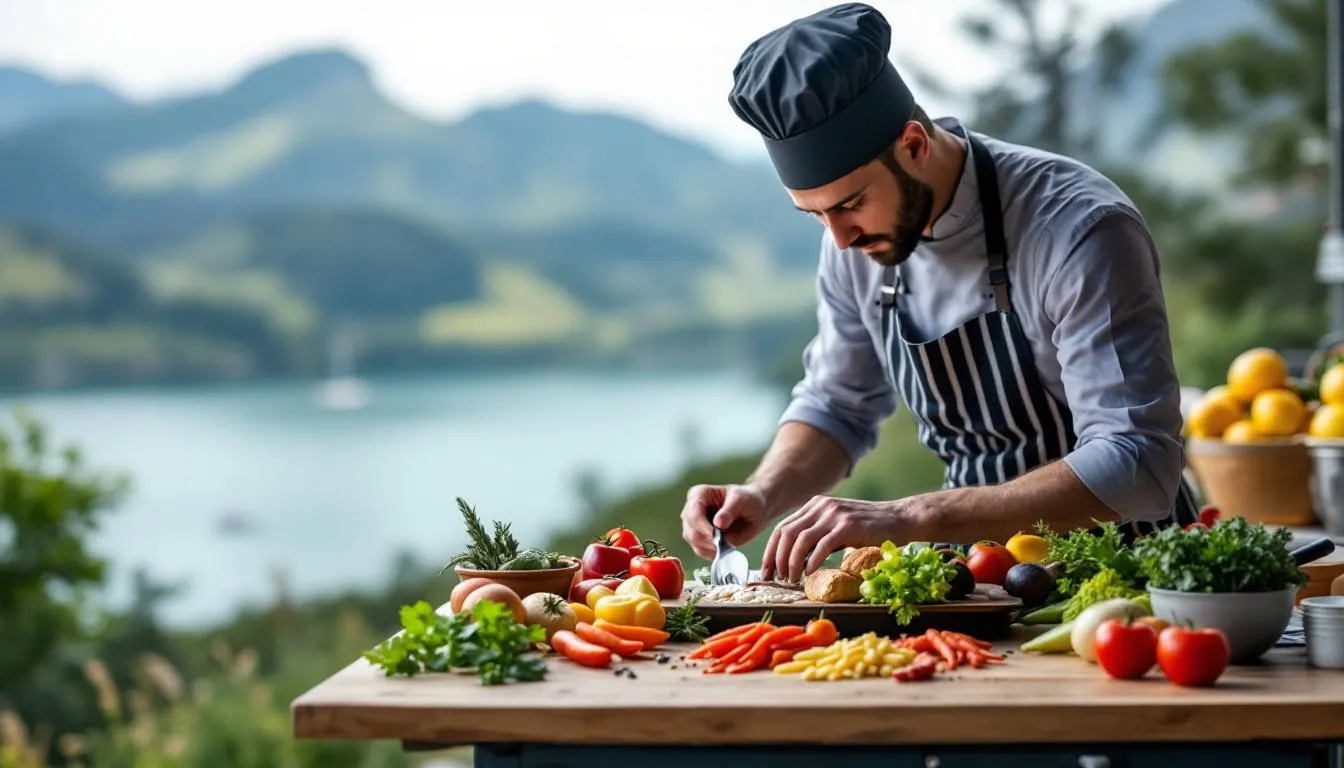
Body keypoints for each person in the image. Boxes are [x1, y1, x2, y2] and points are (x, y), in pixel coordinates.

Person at [679, 2, 1201, 584]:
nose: (840, 238)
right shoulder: (854, 243)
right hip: (975, 584)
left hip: (1130, 583)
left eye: (851, 203)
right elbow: (838, 403)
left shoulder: (1077, 228)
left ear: (914, 145)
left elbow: (1138, 463)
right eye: (814, 214)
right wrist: (760, 491)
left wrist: (912, 515)